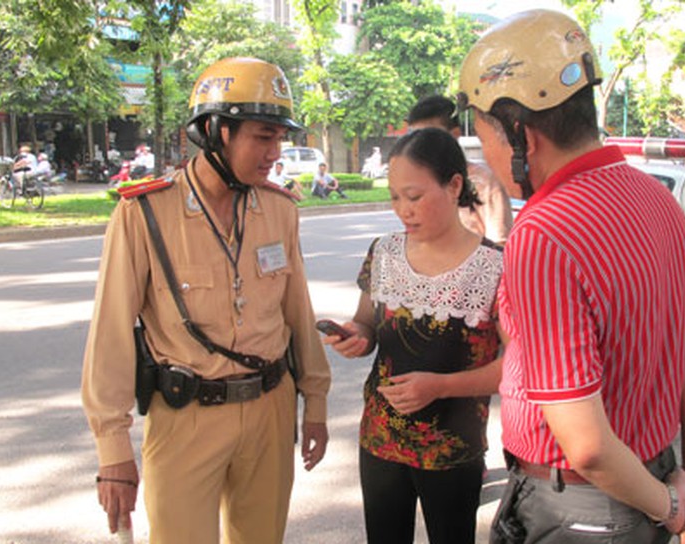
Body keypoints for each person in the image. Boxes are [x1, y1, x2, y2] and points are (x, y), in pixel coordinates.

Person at [458, 9, 685, 543]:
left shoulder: (543, 233)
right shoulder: (660, 200)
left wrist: (672, 506)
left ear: (521, 134)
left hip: (580, 510)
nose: (483, 156)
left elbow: (587, 444)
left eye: (483, 133)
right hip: (652, 479)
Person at [81, 57, 331, 544]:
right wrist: (112, 449)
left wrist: (315, 400)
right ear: (216, 130)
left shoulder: (278, 210)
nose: (275, 152)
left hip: (270, 412)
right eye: (263, 136)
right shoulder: (145, 213)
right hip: (186, 417)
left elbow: (296, 313)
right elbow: (110, 335)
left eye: (279, 137)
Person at [323, 127, 504, 544]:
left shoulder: (495, 266)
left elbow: (515, 367)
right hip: (380, 439)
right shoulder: (383, 253)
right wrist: (355, 336)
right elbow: (366, 323)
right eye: (395, 197)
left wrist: (440, 387)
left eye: (415, 196)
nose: (404, 210)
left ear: (455, 185)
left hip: (452, 448)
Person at [407, 95, 513, 246]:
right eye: (414, 137)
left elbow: (500, 244)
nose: (420, 145)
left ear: (455, 134)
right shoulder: (414, 184)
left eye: (430, 136)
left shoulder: (483, 181)